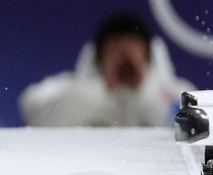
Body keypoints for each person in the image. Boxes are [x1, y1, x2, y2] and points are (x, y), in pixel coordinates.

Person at [19, 11, 194, 127]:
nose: (123, 55)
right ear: (99, 56)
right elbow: (32, 109)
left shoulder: (177, 93)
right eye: (115, 46)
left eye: (132, 47)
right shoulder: (70, 88)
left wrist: (142, 92)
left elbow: (190, 125)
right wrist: (100, 90)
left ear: (148, 56)